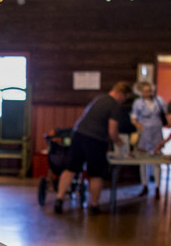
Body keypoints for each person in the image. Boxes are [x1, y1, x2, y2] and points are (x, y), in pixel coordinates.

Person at [54, 81, 132, 215]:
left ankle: (59, 198)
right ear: (121, 94)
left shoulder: (99, 98)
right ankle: (94, 205)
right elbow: (112, 131)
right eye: (125, 98)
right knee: (96, 174)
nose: (124, 101)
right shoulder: (114, 106)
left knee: (71, 169)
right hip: (95, 140)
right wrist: (120, 143)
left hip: (78, 134)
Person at [131, 82, 167, 196]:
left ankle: (157, 186)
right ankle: (144, 185)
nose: (148, 93)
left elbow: (166, 113)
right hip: (145, 131)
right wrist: (139, 127)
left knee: (157, 159)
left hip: (157, 131)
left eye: (150, 90)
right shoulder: (138, 103)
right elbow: (133, 117)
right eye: (146, 91)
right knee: (143, 160)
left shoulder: (159, 100)